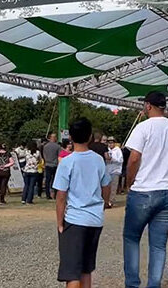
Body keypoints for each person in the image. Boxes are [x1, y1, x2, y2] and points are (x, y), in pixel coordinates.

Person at [123, 91, 168, 288]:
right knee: (158, 245)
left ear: (148, 106)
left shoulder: (143, 128)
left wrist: (130, 182)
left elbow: (134, 158)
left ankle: (133, 284)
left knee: (131, 239)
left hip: (143, 190)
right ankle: (154, 284)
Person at [53, 118, 111, 288]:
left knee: (72, 272)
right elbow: (106, 186)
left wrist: (59, 223)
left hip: (75, 219)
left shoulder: (67, 162)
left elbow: (61, 196)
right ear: (90, 136)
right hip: (95, 219)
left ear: (70, 136)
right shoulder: (98, 160)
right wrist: (103, 205)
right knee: (86, 269)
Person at [106, 136, 123, 208]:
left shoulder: (118, 150)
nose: (110, 144)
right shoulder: (106, 150)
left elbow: (120, 160)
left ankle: (111, 201)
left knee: (113, 187)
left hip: (115, 171)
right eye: (109, 143)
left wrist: (112, 159)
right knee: (107, 187)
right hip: (107, 170)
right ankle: (106, 200)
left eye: (112, 143)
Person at [43, 133, 61, 200]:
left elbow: (44, 155)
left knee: (47, 180)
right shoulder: (57, 146)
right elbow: (59, 156)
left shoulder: (45, 146)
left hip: (48, 164)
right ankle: (55, 194)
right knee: (55, 180)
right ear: (55, 138)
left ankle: (47, 195)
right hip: (55, 164)